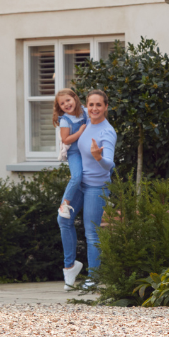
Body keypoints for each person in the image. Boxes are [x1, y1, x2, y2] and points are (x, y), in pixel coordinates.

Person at [58, 89, 117, 291]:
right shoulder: (87, 121)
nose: (94, 108)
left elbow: (110, 165)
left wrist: (98, 157)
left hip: (96, 187)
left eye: (98, 105)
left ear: (106, 107)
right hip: (81, 183)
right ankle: (71, 266)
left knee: (91, 233)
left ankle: (93, 277)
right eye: (91, 104)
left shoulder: (107, 132)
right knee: (63, 219)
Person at [54, 88, 87, 219]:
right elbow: (65, 139)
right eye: (62, 103)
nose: (66, 104)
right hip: (75, 153)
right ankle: (64, 205)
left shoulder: (85, 112)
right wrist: (80, 132)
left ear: (75, 98)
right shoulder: (65, 121)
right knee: (77, 177)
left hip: (87, 151)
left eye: (68, 100)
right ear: (59, 107)